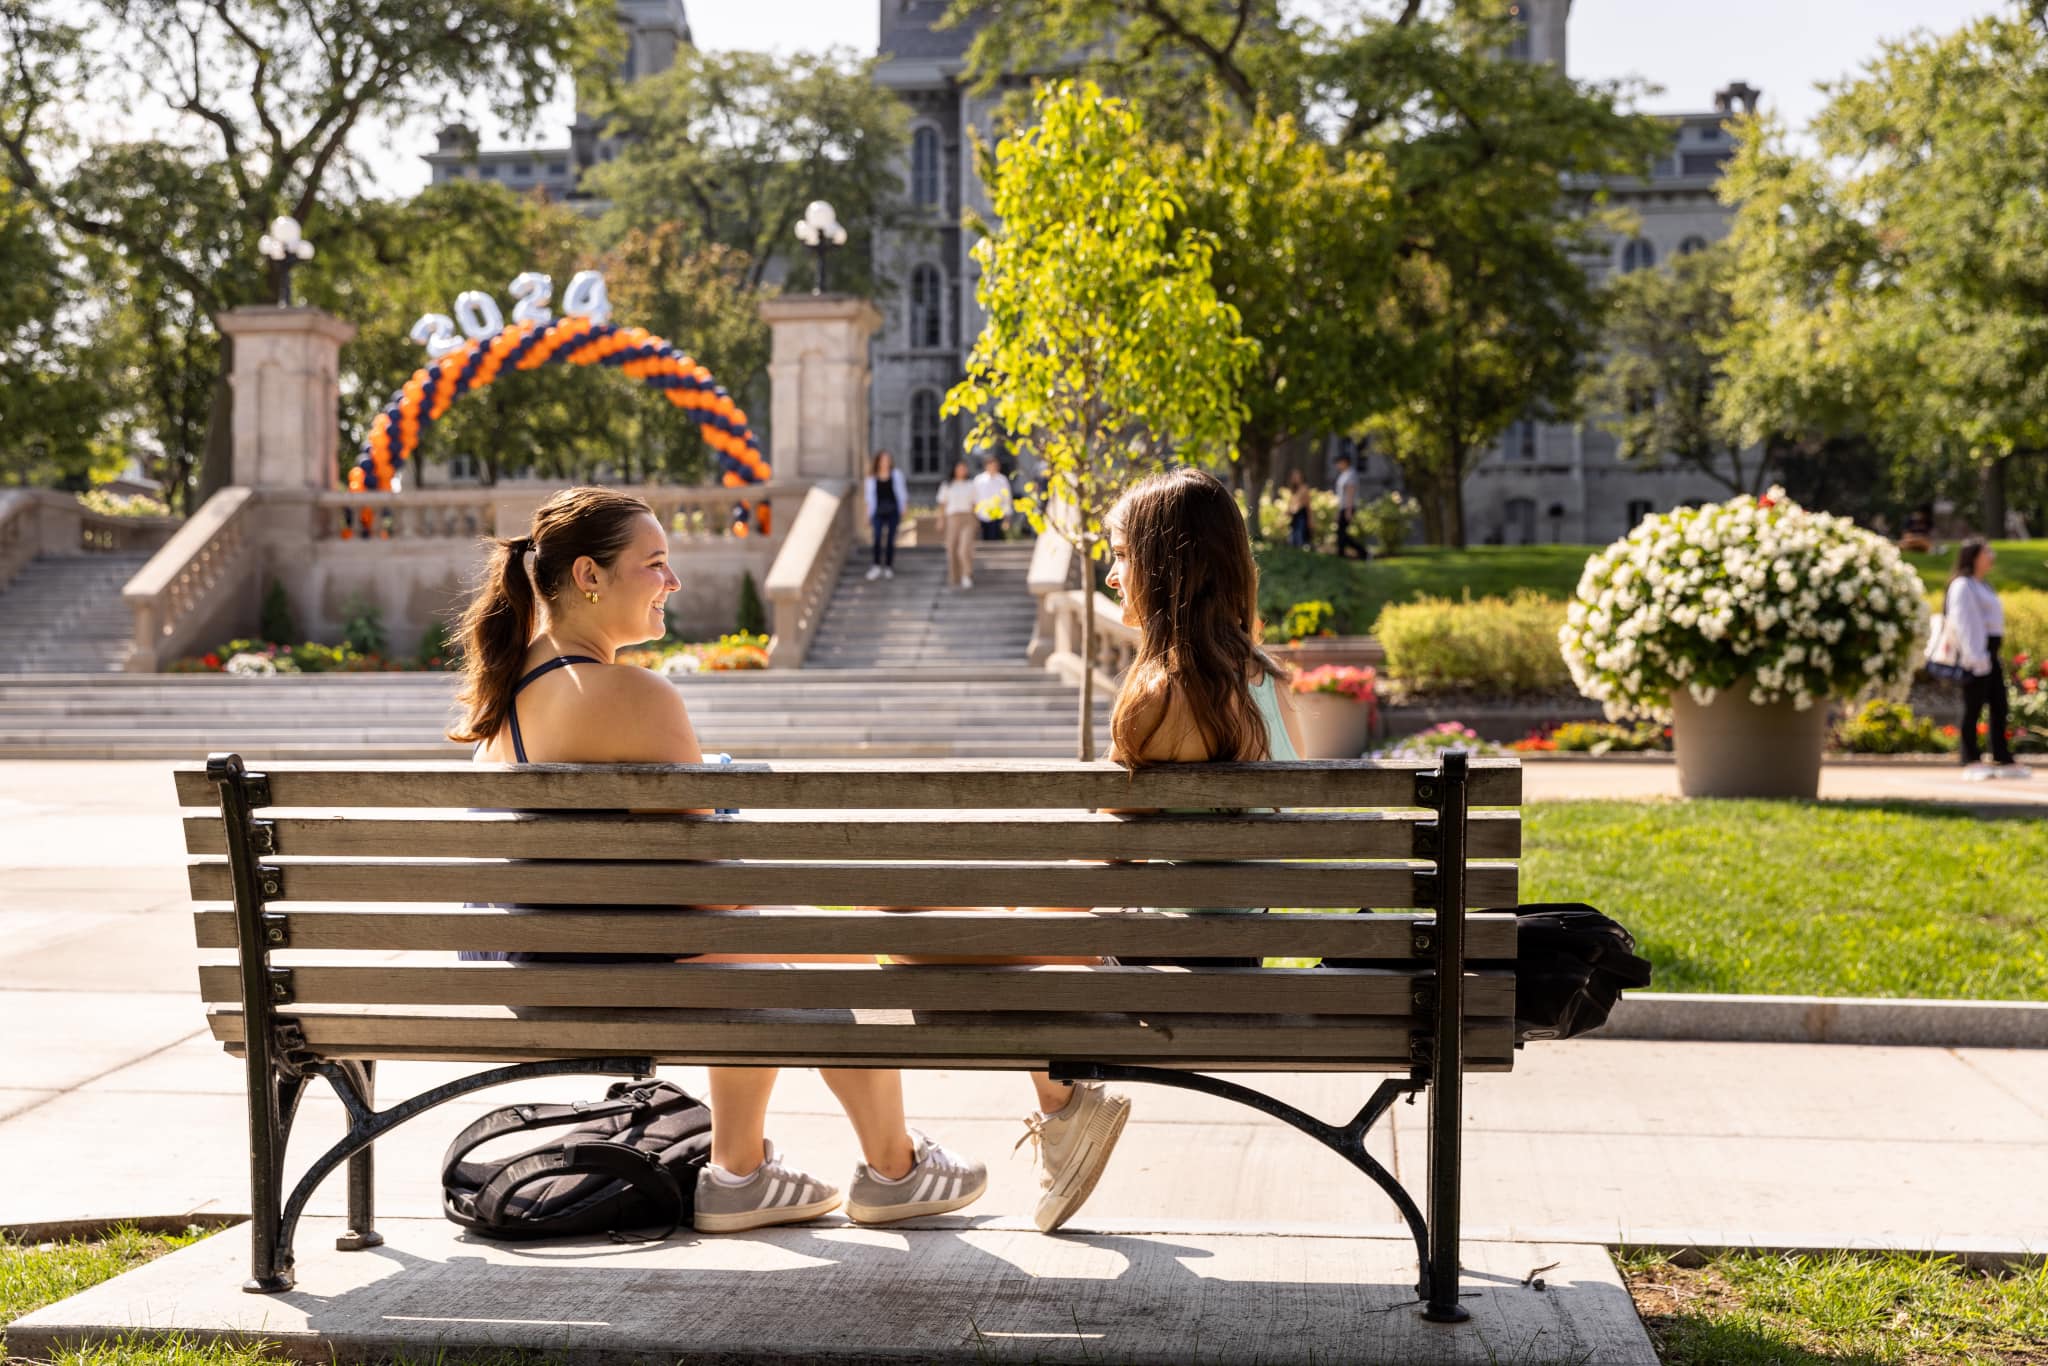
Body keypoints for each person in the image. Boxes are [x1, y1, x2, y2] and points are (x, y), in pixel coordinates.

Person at [449, 486, 988, 1231]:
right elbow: (715, 890)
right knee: (811, 945)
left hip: (531, 977)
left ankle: (743, 1173)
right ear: (588, 577)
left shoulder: (507, 697)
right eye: (657, 563)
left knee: (780, 938)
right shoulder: (633, 695)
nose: (672, 582)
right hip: (595, 985)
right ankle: (890, 1167)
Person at [1943, 538, 2031, 780]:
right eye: (1986, 552)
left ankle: (2000, 754)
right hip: (1975, 654)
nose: (1991, 556)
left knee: (1999, 706)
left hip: (1989, 653)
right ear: (1973, 557)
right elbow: (1964, 623)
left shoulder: (1982, 585)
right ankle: (1969, 756)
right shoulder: (1963, 585)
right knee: (1972, 706)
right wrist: (1976, 656)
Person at [863, 450, 908, 581]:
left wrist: (904, 507)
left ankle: (888, 566)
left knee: (890, 539)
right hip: (878, 511)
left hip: (893, 510)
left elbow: (902, 492)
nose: (885, 462)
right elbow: (869, 498)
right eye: (883, 460)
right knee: (877, 537)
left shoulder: (896, 475)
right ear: (878, 461)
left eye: (887, 460)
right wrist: (867, 515)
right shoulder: (872, 478)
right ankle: (876, 565)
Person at [936, 458, 979, 589]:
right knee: (952, 549)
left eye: (964, 468)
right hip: (952, 518)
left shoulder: (971, 485)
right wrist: (940, 520)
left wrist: (976, 520)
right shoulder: (947, 485)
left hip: (968, 518)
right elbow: (942, 505)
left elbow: (974, 504)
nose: (961, 470)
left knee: (964, 549)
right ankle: (955, 576)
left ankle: (967, 574)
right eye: (959, 468)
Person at [1332, 454, 1366, 560]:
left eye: (1339, 463)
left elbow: (1350, 493)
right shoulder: (1343, 474)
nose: (1337, 465)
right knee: (1340, 533)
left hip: (1348, 507)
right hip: (1343, 507)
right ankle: (1341, 554)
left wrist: (1348, 510)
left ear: (1345, 462)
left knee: (1342, 533)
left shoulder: (1351, 474)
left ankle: (1362, 552)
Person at [973, 456, 1014, 541]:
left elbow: (1007, 499)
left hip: (998, 515)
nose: (993, 467)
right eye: (990, 465)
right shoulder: (979, 480)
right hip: (982, 516)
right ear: (986, 466)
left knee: (997, 540)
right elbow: (975, 498)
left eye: (995, 465)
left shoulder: (1002, 480)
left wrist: (1007, 517)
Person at [1284, 469, 1312, 549]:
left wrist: (1310, 520)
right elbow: (1291, 504)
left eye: (1297, 476)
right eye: (1294, 477)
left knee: (1299, 537)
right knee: (1292, 537)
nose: (1295, 478)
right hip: (1294, 516)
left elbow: (1307, 506)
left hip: (1301, 516)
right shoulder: (1294, 490)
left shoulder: (1304, 488)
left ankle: (1300, 554)